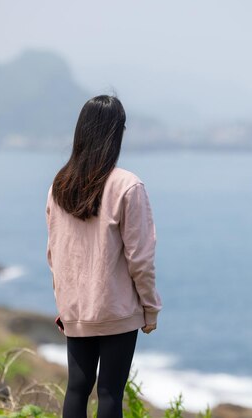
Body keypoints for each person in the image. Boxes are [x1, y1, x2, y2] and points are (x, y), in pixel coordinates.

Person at [45, 95, 162, 418]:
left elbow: (55, 253)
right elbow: (140, 259)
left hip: (77, 308)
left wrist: (66, 304)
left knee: (77, 388)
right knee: (110, 391)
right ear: (117, 133)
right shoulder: (128, 185)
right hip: (115, 308)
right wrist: (150, 308)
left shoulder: (60, 184)